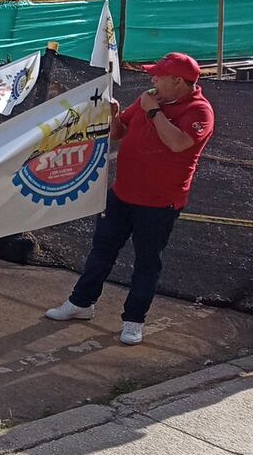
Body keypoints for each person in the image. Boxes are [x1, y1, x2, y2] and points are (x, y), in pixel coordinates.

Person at [45, 53, 215, 346]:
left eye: (159, 76)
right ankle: (81, 302)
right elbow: (119, 133)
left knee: (147, 262)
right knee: (101, 250)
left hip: (160, 203)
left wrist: (153, 112)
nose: (152, 80)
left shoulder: (199, 111)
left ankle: (134, 320)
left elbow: (177, 144)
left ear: (178, 81)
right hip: (123, 193)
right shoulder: (148, 99)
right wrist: (114, 115)